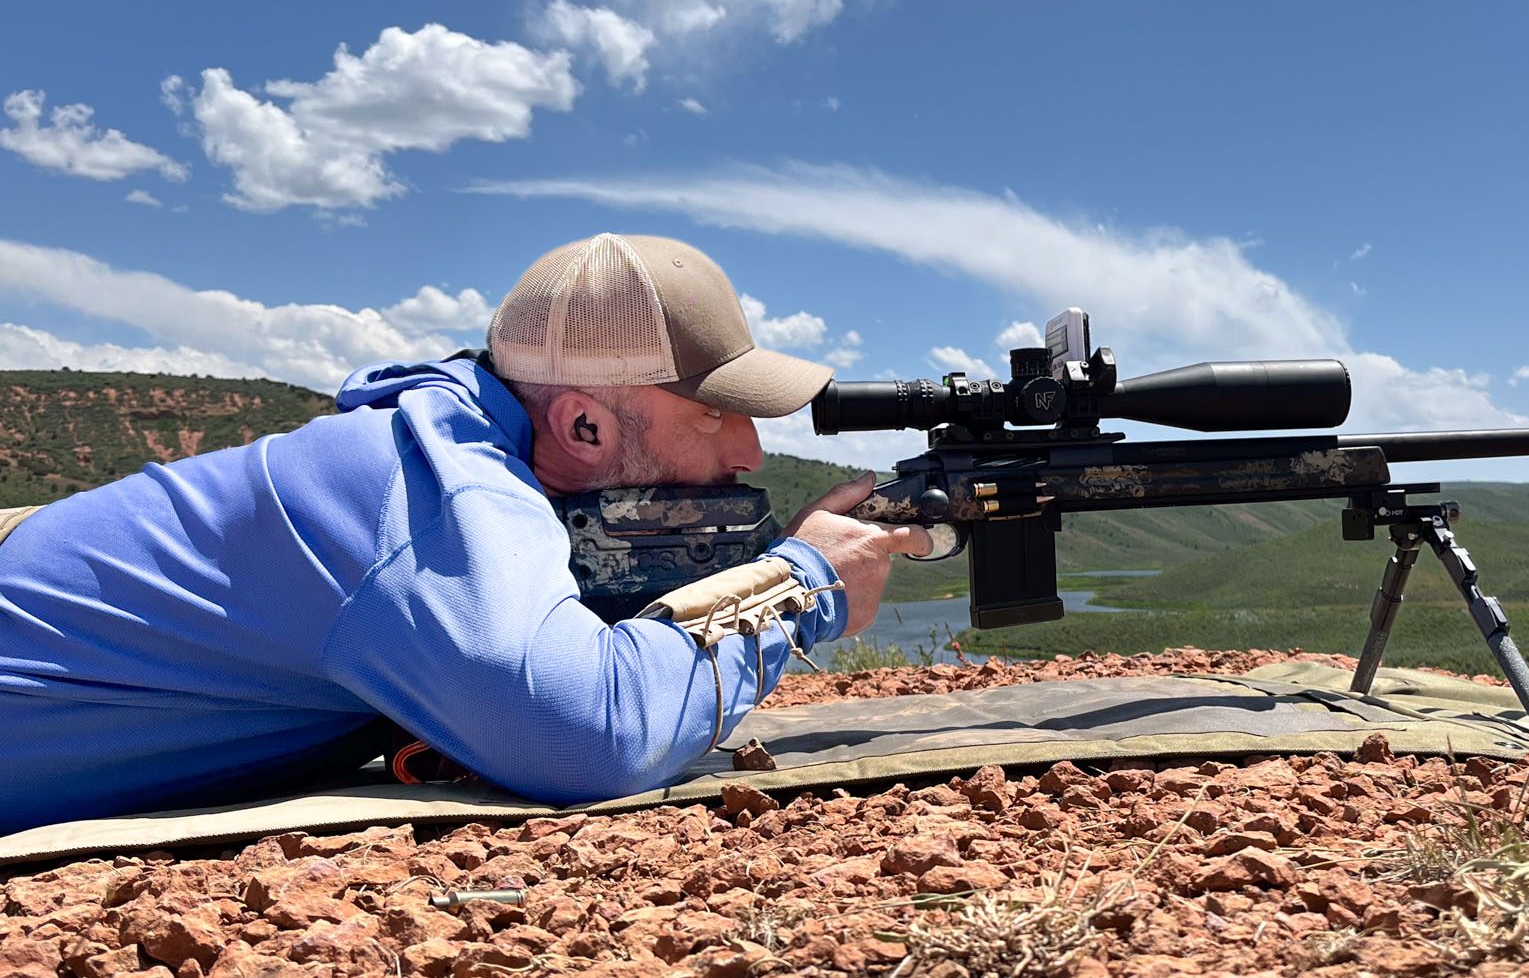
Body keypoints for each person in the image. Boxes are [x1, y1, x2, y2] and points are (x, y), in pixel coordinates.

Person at [0, 233, 928, 834]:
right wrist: (799, 583)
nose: (751, 446)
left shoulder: (438, 436)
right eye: (716, 412)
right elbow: (586, 736)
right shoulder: (437, 497)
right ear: (584, 427)